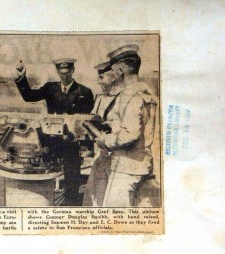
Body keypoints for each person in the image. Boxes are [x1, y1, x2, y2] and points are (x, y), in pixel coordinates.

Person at [15, 58, 94, 206]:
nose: (65, 76)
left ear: (73, 71)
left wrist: (86, 146)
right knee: (43, 175)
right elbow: (29, 97)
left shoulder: (84, 92)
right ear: (57, 72)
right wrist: (22, 77)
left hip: (71, 144)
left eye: (67, 72)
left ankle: (70, 211)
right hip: (52, 144)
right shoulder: (50, 88)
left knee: (72, 182)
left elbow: (86, 123)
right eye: (61, 73)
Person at [94, 45, 157, 207]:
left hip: (125, 167)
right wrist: (113, 125)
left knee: (115, 218)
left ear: (121, 71)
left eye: (114, 72)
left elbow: (131, 133)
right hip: (142, 165)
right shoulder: (146, 91)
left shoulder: (129, 94)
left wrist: (105, 140)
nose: (113, 76)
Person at [82, 61, 123, 206]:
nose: (98, 82)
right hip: (101, 153)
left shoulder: (123, 98)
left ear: (113, 77)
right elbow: (94, 120)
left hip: (117, 154)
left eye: (101, 77)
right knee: (94, 196)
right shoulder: (100, 98)